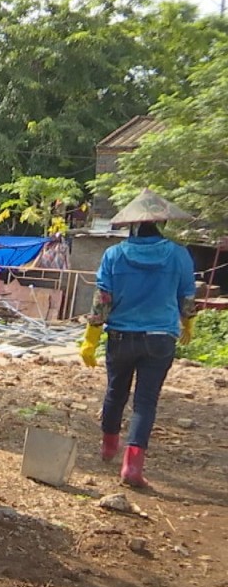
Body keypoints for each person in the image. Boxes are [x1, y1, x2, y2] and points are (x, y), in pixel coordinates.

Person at [80, 188, 196, 488]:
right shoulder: (179, 254)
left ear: (130, 225)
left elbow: (102, 299)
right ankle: (132, 466)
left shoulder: (114, 255)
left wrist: (91, 338)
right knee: (146, 402)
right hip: (161, 338)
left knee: (115, 392)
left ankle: (108, 445)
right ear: (162, 224)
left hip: (121, 336)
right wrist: (188, 325)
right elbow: (187, 297)